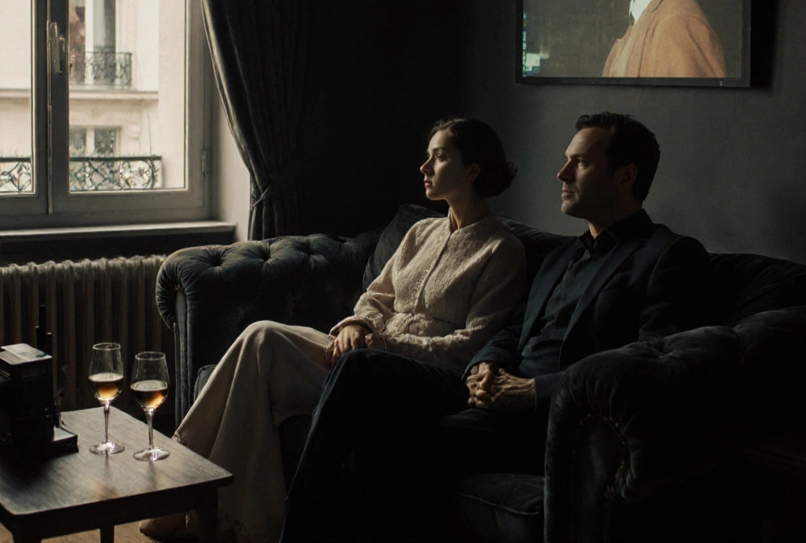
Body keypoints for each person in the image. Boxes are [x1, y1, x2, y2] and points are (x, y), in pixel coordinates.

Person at [280, 112, 712, 542]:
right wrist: (484, 368)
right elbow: (510, 330)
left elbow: (653, 363)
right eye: (566, 160)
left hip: (553, 422)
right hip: (487, 398)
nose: (561, 173)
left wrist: (534, 391)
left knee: (364, 385)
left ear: (625, 176)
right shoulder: (563, 256)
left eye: (579, 163)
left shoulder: (667, 256)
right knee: (366, 444)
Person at [139, 118, 526, 543]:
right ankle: (202, 502)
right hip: (360, 350)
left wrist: (380, 341)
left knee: (260, 363)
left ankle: (201, 509)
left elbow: (471, 343)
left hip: (407, 374)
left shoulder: (501, 249)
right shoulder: (421, 231)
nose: (424, 166)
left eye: (439, 157)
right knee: (261, 334)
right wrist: (358, 324)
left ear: (472, 171)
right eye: (428, 155)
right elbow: (376, 295)